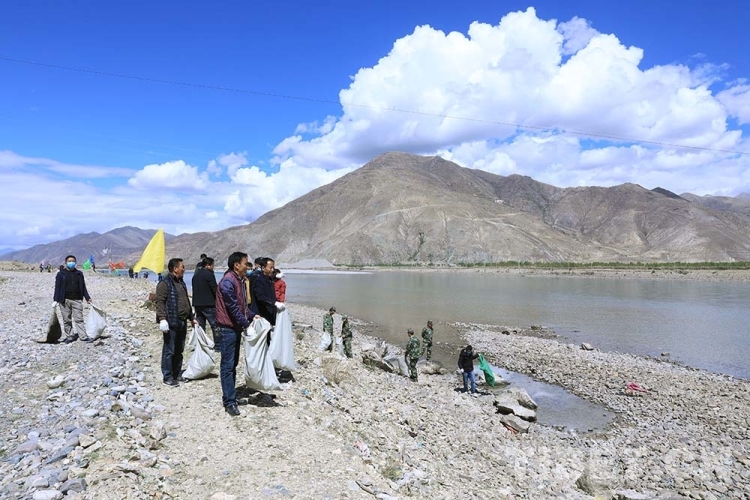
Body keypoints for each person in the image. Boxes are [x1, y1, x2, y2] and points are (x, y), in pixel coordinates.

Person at [215, 251, 258, 416]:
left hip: (235, 328)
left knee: (232, 364)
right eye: (245, 264)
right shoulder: (228, 282)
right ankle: (229, 402)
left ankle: (231, 395)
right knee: (227, 365)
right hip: (227, 329)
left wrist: (252, 316)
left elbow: (242, 306)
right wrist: (247, 324)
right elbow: (232, 308)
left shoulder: (239, 280)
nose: (247, 267)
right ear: (236, 265)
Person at [155, 258, 196, 387]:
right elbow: (160, 302)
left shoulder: (181, 283)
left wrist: (191, 317)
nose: (184, 269)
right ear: (175, 269)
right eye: (182, 267)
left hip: (182, 321)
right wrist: (162, 319)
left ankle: (177, 373)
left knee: (179, 349)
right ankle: (167, 376)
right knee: (169, 350)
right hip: (171, 322)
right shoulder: (164, 284)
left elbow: (186, 301)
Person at [54, 255, 93, 344]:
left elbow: (83, 287)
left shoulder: (79, 274)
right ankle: (70, 336)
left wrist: (87, 297)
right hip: (64, 300)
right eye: (69, 261)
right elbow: (57, 287)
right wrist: (55, 300)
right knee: (66, 319)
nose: (71, 263)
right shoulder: (61, 274)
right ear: (66, 262)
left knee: (79, 318)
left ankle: (83, 336)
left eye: (73, 261)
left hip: (77, 300)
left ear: (75, 263)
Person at [192, 256, 220, 350]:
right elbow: (215, 289)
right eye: (212, 265)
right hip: (209, 304)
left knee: (201, 326)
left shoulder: (196, 275)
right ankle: (218, 345)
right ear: (208, 265)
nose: (213, 267)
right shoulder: (209, 274)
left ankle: (201, 345)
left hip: (197, 304)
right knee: (215, 325)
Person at [250, 257, 282, 326]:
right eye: (270, 268)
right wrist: (274, 303)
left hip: (270, 311)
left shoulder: (269, 279)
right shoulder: (259, 280)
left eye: (273, 268)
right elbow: (260, 297)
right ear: (263, 268)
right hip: (261, 313)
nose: (272, 270)